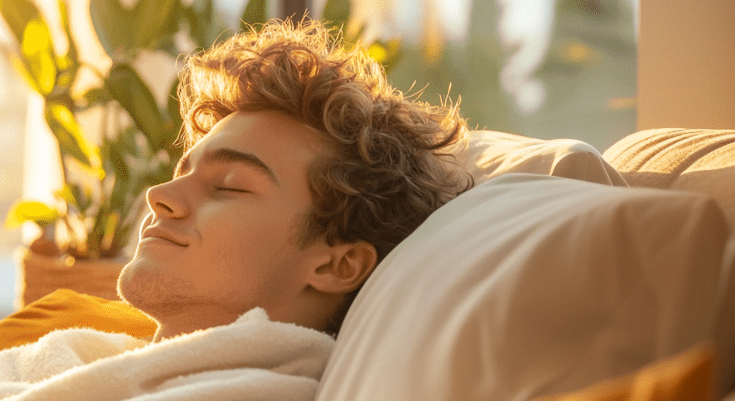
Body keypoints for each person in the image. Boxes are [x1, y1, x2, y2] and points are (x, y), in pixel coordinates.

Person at [118, 17, 472, 341]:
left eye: (229, 185)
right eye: (182, 172)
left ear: (338, 265)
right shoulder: (90, 362)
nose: (159, 195)